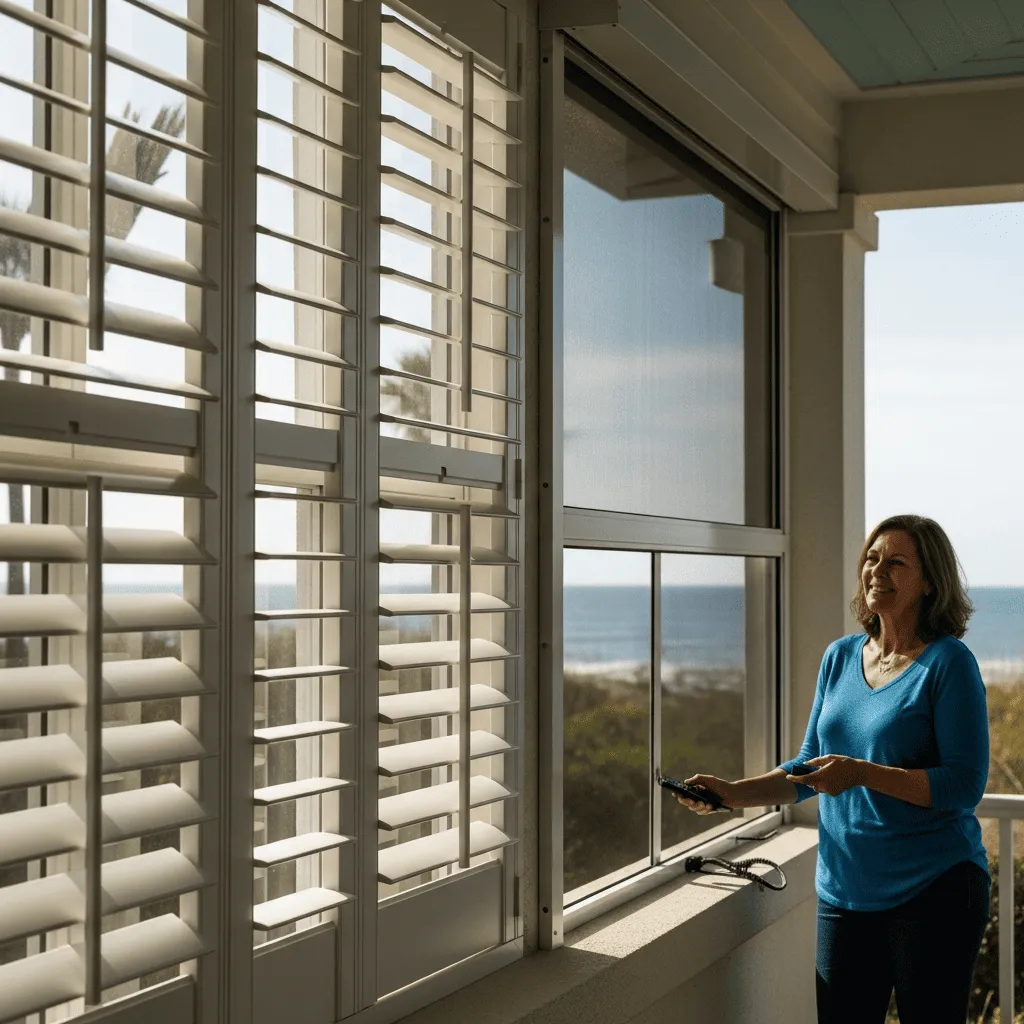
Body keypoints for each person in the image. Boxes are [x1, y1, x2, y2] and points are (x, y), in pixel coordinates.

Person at [673, 514, 991, 1024]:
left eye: (896, 562)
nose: (876, 571)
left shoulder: (949, 663)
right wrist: (732, 793)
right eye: (871, 558)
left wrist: (862, 773)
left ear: (929, 581)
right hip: (844, 891)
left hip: (936, 890)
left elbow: (964, 785)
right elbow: (807, 769)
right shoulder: (840, 657)